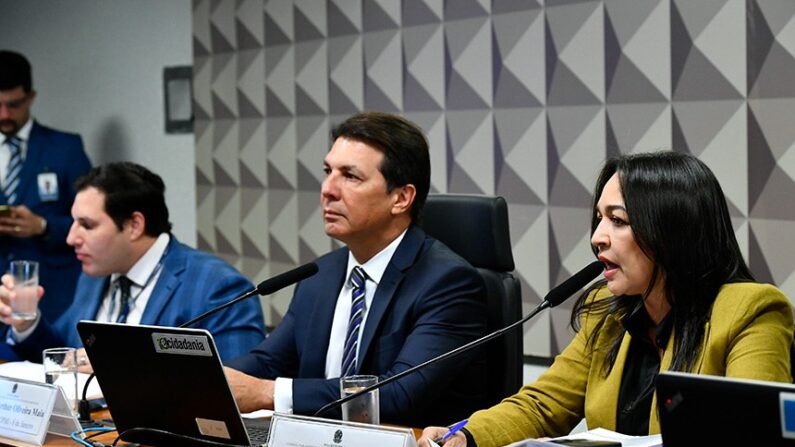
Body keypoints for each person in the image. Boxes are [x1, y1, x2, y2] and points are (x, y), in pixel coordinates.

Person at [420, 151, 794, 446]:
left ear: (671, 231)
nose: (598, 237)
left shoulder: (752, 311)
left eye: (618, 220)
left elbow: (752, 436)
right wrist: (466, 437)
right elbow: (542, 405)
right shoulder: (609, 315)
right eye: (599, 219)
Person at [224, 111, 489, 427]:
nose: (328, 190)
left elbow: (397, 395)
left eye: (350, 176)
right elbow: (268, 361)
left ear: (401, 198)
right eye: (328, 171)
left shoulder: (448, 283)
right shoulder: (319, 276)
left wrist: (270, 393)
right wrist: (210, 380)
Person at [0, 162, 266, 362]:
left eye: (87, 225)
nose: (71, 238)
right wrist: (27, 324)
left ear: (134, 225)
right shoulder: (94, 276)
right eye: (73, 222)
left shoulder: (217, 287)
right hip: (85, 433)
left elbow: (237, 387)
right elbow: (65, 354)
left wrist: (110, 366)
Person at [0, 50, 91, 322]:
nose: (4, 114)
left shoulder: (66, 148)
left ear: (31, 97)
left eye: (14, 104)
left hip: (52, 294)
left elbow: (92, 222)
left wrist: (43, 226)